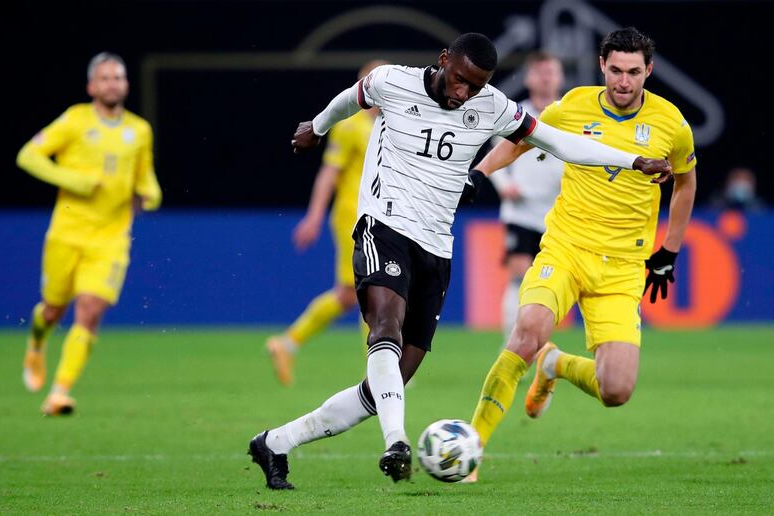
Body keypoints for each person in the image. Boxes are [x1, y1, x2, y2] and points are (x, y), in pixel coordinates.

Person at [248, 32, 670, 490]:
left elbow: (561, 143)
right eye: (460, 80)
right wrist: (317, 126)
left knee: (386, 384)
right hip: (383, 226)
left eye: (477, 84)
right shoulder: (391, 81)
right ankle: (396, 442)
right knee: (384, 328)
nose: (463, 92)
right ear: (443, 59)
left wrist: (633, 161)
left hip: (435, 247)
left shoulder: (491, 106)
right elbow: (349, 100)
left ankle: (276, 442)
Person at [466, 27, 697, 482]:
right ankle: (470, 448)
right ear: (601, 67)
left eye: (633, 72)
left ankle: (554, 364)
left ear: (648, 71)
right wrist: (477, 173)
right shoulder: (571, 106)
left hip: (623, 266)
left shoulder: (672, 124)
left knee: (616, 390)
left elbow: (686, 184)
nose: (624, 82)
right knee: (527, 329)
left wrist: (669, 249)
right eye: (615, 70)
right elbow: (518, 138)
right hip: (566, 248)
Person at [17, 52, 162, 416]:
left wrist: (153, 194)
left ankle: (59, 393)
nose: (113, 84)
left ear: (126, 84)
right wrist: (76, 181)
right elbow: (28, 156)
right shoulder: (74, 120)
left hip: (111, 238)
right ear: (92, 86)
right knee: (52, 311)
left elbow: (145, 178)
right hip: (67, 232)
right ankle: (36, 345)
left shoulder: (139, 130)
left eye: (118, 78)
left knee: (90, 310)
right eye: (106, 78)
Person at [265, 60, 388, 387]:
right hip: (353, 217)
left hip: (381, 217)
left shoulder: (393, 124)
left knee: (350, 295)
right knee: (370, 288)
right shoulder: (350, 126)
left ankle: (287, 343)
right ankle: (379, 369)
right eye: (372, 81)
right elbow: (329, 173)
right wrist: (314, 215)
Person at [487, 51, 565, 340]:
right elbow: (492, 156)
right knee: (519, 279)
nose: (546, 78)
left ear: (560, 77)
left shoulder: (571, 115)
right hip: (520, 211)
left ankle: (539, 342)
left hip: (559, 214)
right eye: (540, 72)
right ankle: (513, 346)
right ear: (530, 77)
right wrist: (503, 185)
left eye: (551, 72)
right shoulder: (515, 115)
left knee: (553, 284)